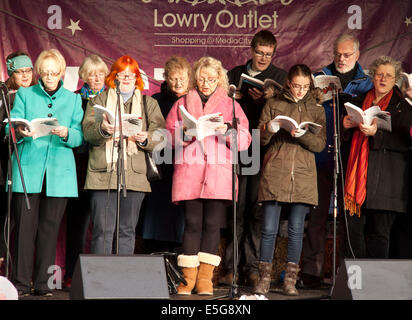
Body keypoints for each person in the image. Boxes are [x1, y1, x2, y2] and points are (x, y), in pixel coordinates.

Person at [165, 56, 251, 295]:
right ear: (195, 78)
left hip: (218, 174)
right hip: (190, 172)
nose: (206, 84)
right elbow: (168, 135)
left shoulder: (231, 104)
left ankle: (205, 279)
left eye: (211, 80)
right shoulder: (182, 102)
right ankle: (187, 279)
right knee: (192, 224)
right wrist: (184, 133)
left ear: (219, 80)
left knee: (213, 225)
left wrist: (227, 132)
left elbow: (245, 140)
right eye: (202, 79)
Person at [299, 34, 373, 288]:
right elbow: (307, 109)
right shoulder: (319, 77)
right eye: (338, 54)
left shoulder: (366, 83)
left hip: (350, 161)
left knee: (349, 220)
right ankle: (311, 272)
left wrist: (351, 124)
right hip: (321, 157)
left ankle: (348, 275)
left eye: (347, 55)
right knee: (317, 216)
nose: (341, 59)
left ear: (357, 55)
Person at [9, 49, 84, 297]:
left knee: (49, 231)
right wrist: (21, 131)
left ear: (61, 72)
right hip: (28, 169)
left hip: (59, 175)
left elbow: (79, 137)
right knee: (23, 232)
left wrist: (66, 133)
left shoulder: (73, 100)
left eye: (55, 73)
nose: (50, 77)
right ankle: (20, 284)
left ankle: (41, 284)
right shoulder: (25, 93)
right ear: (39, 73)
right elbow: (13, 126)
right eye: (46, 72)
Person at [221, 30, 287, 287]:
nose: (263, 58)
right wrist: (231, 99)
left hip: (265, 150)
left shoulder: (280, 78)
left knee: (256, 211)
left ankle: (251, 267)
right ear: (251, 50)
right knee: (235, 210)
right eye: (259, 52)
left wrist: (271, 100)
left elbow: (286, 114)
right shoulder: (235, 74)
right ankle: (230, 268)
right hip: (237, 149)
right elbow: (220, 110)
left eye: (268, 54)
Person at [253, 64, 326, 296]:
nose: (300, 90)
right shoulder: (274, 104)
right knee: (268, 228)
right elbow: (260, 140)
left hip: (304, 176)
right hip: (276, 171)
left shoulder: (316, 109)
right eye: (296, 85)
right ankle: (264, 279)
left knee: (296, 230)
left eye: (305, 87)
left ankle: (290, 281)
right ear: (288, 83)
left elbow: (320, 144)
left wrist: (304, 135)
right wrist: (270, 129)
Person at [82, 55, 165, 255]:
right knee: (102, 232)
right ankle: (100, 282)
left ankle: (122, 282)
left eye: (131, 75)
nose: (126, 78)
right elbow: (87, 132)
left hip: (134, 176)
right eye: (122, 74)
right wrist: (103, 129)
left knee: (127, 231)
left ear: (137, 77)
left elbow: (162, 136)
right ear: (114, 77)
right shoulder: (99, 100)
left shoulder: (148, 103)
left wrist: (146, 138)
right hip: (103, 174)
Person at [342, 56, 412, 259]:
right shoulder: (357, 101)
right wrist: (345, 126)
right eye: (379, 74)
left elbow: (406, 142)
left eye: (388, 76)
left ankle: (376, 284)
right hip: (357, 182)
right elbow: (344, 139)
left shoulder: (403, 108)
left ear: (396, 80)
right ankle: (355, 282)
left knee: (378, 234)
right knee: (353, 232)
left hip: (386, 183)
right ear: (372, 76)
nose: (383, 79)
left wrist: (377, 134)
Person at [63, 54, 109, 289]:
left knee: (103, 225)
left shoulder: (113, 99)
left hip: (105, 168)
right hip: (80, 168)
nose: (96, 78)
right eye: (91, 74)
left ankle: (103, 274)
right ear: (83, 76)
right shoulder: (73, 99)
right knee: (77, 226)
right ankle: (73, 274)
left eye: (100, 73)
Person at [140, 56, 191, 253]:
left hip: (186, 165)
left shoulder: (194, 101)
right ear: (166, 79)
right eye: (173, 78)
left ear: (189, 78)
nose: (178, 83)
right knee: (157, 213)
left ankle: (179, 256)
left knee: (181, 216)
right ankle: (153, 254)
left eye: (182, 78)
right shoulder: (155, 101)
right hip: (160, 164)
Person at [0, 51, 37, 270]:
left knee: (21, 221)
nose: (24, 75)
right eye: (19, 71)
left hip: (26, 167)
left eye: (28, 71)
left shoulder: (38, 95)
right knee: (4, 219)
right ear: (11, 73)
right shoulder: (4, 95)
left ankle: (17, 272)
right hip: (4, 166)